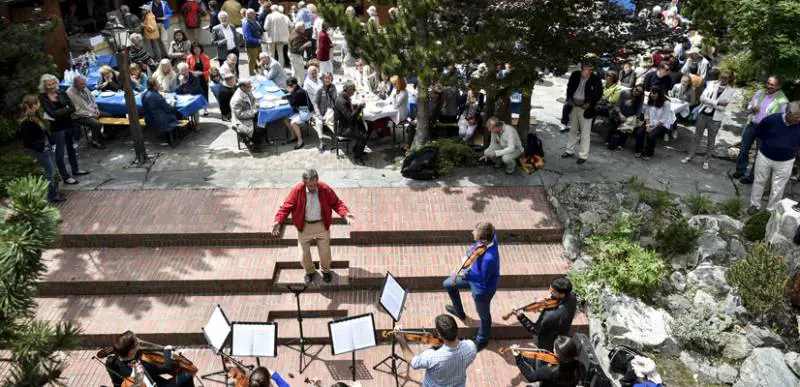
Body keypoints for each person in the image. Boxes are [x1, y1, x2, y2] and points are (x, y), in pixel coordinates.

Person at [272, 168, 353, 284]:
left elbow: (336, 203)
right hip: (304, 227)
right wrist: (278, 220)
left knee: (325, 253)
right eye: (310, 186)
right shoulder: (297, 190)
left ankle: (325, 271)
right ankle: (310, 272)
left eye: (315, 185)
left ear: (317, 180)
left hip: (321, 225)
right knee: (303, 256)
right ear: (304, 183)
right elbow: (286, 207)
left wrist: (345, 213)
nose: (313, 188)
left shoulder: (324, 188)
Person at [442, 222, 500, 352]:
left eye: (476, 233)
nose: (473, 233)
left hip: (482, 288)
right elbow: (478, 248)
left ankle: (482, 339)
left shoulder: (490, 258)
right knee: (448, 284)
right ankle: (460, 312)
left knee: (483, 315)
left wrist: (464, 274)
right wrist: (468, 258)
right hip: (473, 273)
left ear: (484, 239)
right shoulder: (491, 236)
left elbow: (482, 278)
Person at [747, 102, 800, 215]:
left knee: (778, 187)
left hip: (786, 161)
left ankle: (770, 211)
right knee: (759, 181)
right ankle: (754, 205)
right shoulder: (771, 119)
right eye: (797, 117)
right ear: (788, 113)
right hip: (765, 156)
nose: (799, 120)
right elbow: (759, 134)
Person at [395, 314, 477, 387]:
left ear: (440, 335)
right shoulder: (471, 347)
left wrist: (401, 339)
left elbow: (413, 362)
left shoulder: (431, 356)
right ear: (457, 329)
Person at [734, 75, 789, 183]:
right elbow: (750, 105)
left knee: (759, 155)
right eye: (768, 83)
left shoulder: (782, 100)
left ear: (779, 86)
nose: (769, 86)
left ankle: (752, 177)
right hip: (752, 124)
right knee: (744, 149)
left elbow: (782, 119)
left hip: (766, 131)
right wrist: (752, 108)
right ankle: (740, 169)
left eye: (772, 84)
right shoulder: (760, 92)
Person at [682, 71, 738, 170]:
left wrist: (711, 102)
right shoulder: (712, 84)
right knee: (696, 137)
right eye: (721, 77)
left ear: (730, 79)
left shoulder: (732, 91)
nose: (723, 80)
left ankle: (707, 160)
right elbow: (702, 98)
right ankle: (690, 155)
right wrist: (717, 102)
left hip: (715, 119)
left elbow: (723, 107)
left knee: (711, 141)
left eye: (725, 78)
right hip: (702, 114)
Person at [39, 74, 88, 185]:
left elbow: (72, 108)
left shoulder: (61, 92)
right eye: (49, 85)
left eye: (53, 83)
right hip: (57, 128)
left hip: (68, 124)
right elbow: (52, 113)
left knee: (72, 149)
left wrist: (62, 111)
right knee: (60, 153)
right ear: (44, 86)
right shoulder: (43, 97)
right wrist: (65, 109)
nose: (52, 86)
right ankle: (65, 176)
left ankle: (75, 169)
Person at [104, 331, 194, 387]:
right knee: (187, 376)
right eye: (136, 342)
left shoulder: (110, 362)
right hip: (150, 385)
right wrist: (167, 351)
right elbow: (167, 367)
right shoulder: (142, 367)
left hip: (127, 385)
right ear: (131, 351)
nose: (139, 342)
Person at [512, 277, 578, 351]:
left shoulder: (551, 316)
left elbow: (535, 330)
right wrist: (543, 306)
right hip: (561, 333)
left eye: (553, 291)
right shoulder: (572, 297)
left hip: (546, 342)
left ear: (562, 294)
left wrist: (520, 316)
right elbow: (557, 306)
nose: (550, 292)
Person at [20, 94, 63, 202]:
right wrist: (41, 148)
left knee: (52, 170)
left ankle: (53, 192)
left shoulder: (34, 117)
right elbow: (26, 142)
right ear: (34, 105)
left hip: (46, 146)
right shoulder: (26, 122)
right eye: (38, 103)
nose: (39, 104)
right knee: (49, 172)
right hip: (41, 149)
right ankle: (51, 195)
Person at [561, 60, 602, 164]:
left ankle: (583, 155)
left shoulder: (595, 79)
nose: (586, 71)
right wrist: (570, 99)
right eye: (585, 68)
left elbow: (598, 94)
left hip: (586, 108)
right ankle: (569, 150)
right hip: (574, 105)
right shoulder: (575, 75)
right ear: (582, 68)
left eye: (589, 69)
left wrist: (590, 103)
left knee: (585, 133)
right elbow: (569, 87)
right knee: (573, 130)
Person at [508, 336, 581, 387]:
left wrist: (518, 358)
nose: (553, 350)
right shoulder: (579, 365)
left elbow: (530, 376)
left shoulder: (550, 371)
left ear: (558, 354)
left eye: (554, 349)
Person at [634, 86, 675, 160]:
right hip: (650, 122)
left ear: (659, 94)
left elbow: (664, 118)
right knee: (639, 132)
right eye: (651, 93)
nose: (652, 95)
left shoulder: (666, 103)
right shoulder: (650, 100)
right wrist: (647, 125)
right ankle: (638, 150)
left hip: (660, 124)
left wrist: (653, 128)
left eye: (654, 93)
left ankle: (649, 153)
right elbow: (646, 114)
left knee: (651, 136)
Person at [66, 75, 106, 149]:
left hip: (90, 111)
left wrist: (96, 108)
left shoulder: (84, 88)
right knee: (97, 124)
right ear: (75, 84)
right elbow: (76, 110)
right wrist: (91, 114)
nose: (84, 85)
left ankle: (101, 134)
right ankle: (95, 141)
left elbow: (92, 99)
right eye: (81, 84)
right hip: (79, 116)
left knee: (108, 115)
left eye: (84, 83)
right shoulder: (69, 93)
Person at [334, 81, 368, 164]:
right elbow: (350, 117)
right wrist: (359, 107)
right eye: (353, 90)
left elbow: (348, 109)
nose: (354, 91)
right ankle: (357, 156)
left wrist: (356, 106)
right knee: (364, 135)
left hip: (346, 123)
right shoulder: (342, 100)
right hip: (342, 128)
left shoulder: (344, 96)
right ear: (348, 90)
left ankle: (357, 149)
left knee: (369, 125)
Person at [606, 85, 644, 151]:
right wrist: (620, 115)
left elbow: (639, 108)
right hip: (619, 113)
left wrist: (636, 117)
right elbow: (617, 106)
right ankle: (609, 140)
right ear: (634, 87)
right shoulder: (625, 93)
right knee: (616, 124)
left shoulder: (640, 98)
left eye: (640, 92)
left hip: (630, 116)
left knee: (627, 127)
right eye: (636, 89)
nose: (637, 92)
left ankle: (621, 144)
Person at [230, 78, 265, 152]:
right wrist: (253, 112)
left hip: (250, 113)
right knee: (260, 127)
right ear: (242, 87)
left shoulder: (247, 91)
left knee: (264, 119)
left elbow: (254, 99)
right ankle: (255, 144)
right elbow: (239, 114)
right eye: (249, 86)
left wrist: (255, 107)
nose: (251, 87)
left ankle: (256, 140)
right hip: (241, 120)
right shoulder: (237, 99)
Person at [313, 71, 337, 152]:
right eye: (326, 78)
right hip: (320, 112)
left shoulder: (333, 87)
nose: (327, 80)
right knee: (318, 123)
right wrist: (319, 115)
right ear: (323, 79)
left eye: (329, 78)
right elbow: (315, 103)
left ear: (331, 79)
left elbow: (335, 100)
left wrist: (331, 92)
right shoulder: (319, 89)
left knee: (331, 122)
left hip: (330, 111)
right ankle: (321, 142)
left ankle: (334, 142)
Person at [186, 42, 211, 116]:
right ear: (192, 49)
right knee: (195, 93)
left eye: (198, 48)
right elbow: (186, 69)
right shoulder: (189, 57)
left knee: (204, 93)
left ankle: (205, 108)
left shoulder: (206, 57)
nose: (196, 50)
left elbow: (209, 69)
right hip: (193, 78)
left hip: (203, 77)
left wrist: (203, 73)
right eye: (195, 48)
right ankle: (197, 108)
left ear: (201, 49)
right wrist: (193, 73)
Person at [285, 76, 310, 149]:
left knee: (293, 123)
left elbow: (292, 103)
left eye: (290, 85)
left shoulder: (299, 92)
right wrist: (290, 92)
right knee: (285, 119)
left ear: (295, 84)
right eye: (288, 86)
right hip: (300, 110)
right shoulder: (296, 90)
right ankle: (293, 136)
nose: (289, 87)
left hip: (306, 112)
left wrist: (289, 94)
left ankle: (300, 141)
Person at [243, 8, 266, 76]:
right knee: (252, 62)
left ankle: (261, 73)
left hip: (258, 45)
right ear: (249, 15)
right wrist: (259, 40)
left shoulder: (254, 21)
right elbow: (248, 37)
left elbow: (258, 31)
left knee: (261, 59)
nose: (255, 14)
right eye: (253, 13)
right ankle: (251, 75)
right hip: (251, 46)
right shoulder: (246, 23)